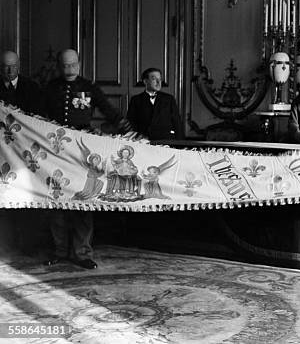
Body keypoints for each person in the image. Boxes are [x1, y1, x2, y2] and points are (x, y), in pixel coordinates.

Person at [42, 49, 131, 270]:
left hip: (83, 152)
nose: (69, 69)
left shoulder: (89, 88)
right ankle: (59, 251)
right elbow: (37, 116)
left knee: (83, 199)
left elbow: (109, 110)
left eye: (73, 65)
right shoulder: (50, 88)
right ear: (59, 66)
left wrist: (127, 129)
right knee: (56, 199)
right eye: (65, 65)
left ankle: (82, 253)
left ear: (79, 65)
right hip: (57, 151)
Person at [126, 67, 184, 141]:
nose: (158, 82)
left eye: (160, 79)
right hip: (144, 142)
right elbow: (131, 123)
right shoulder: (136, 100)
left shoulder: (169, 99)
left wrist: (181, 145)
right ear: (145, 81)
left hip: (166, 142)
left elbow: (177, 123)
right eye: (154, 79)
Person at [0, 50, 42, 114]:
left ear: (19, 65)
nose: (10, 71)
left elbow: (38, 114)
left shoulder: (32, 86)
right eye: (7, 66)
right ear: (1, 67)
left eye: (14, 66)